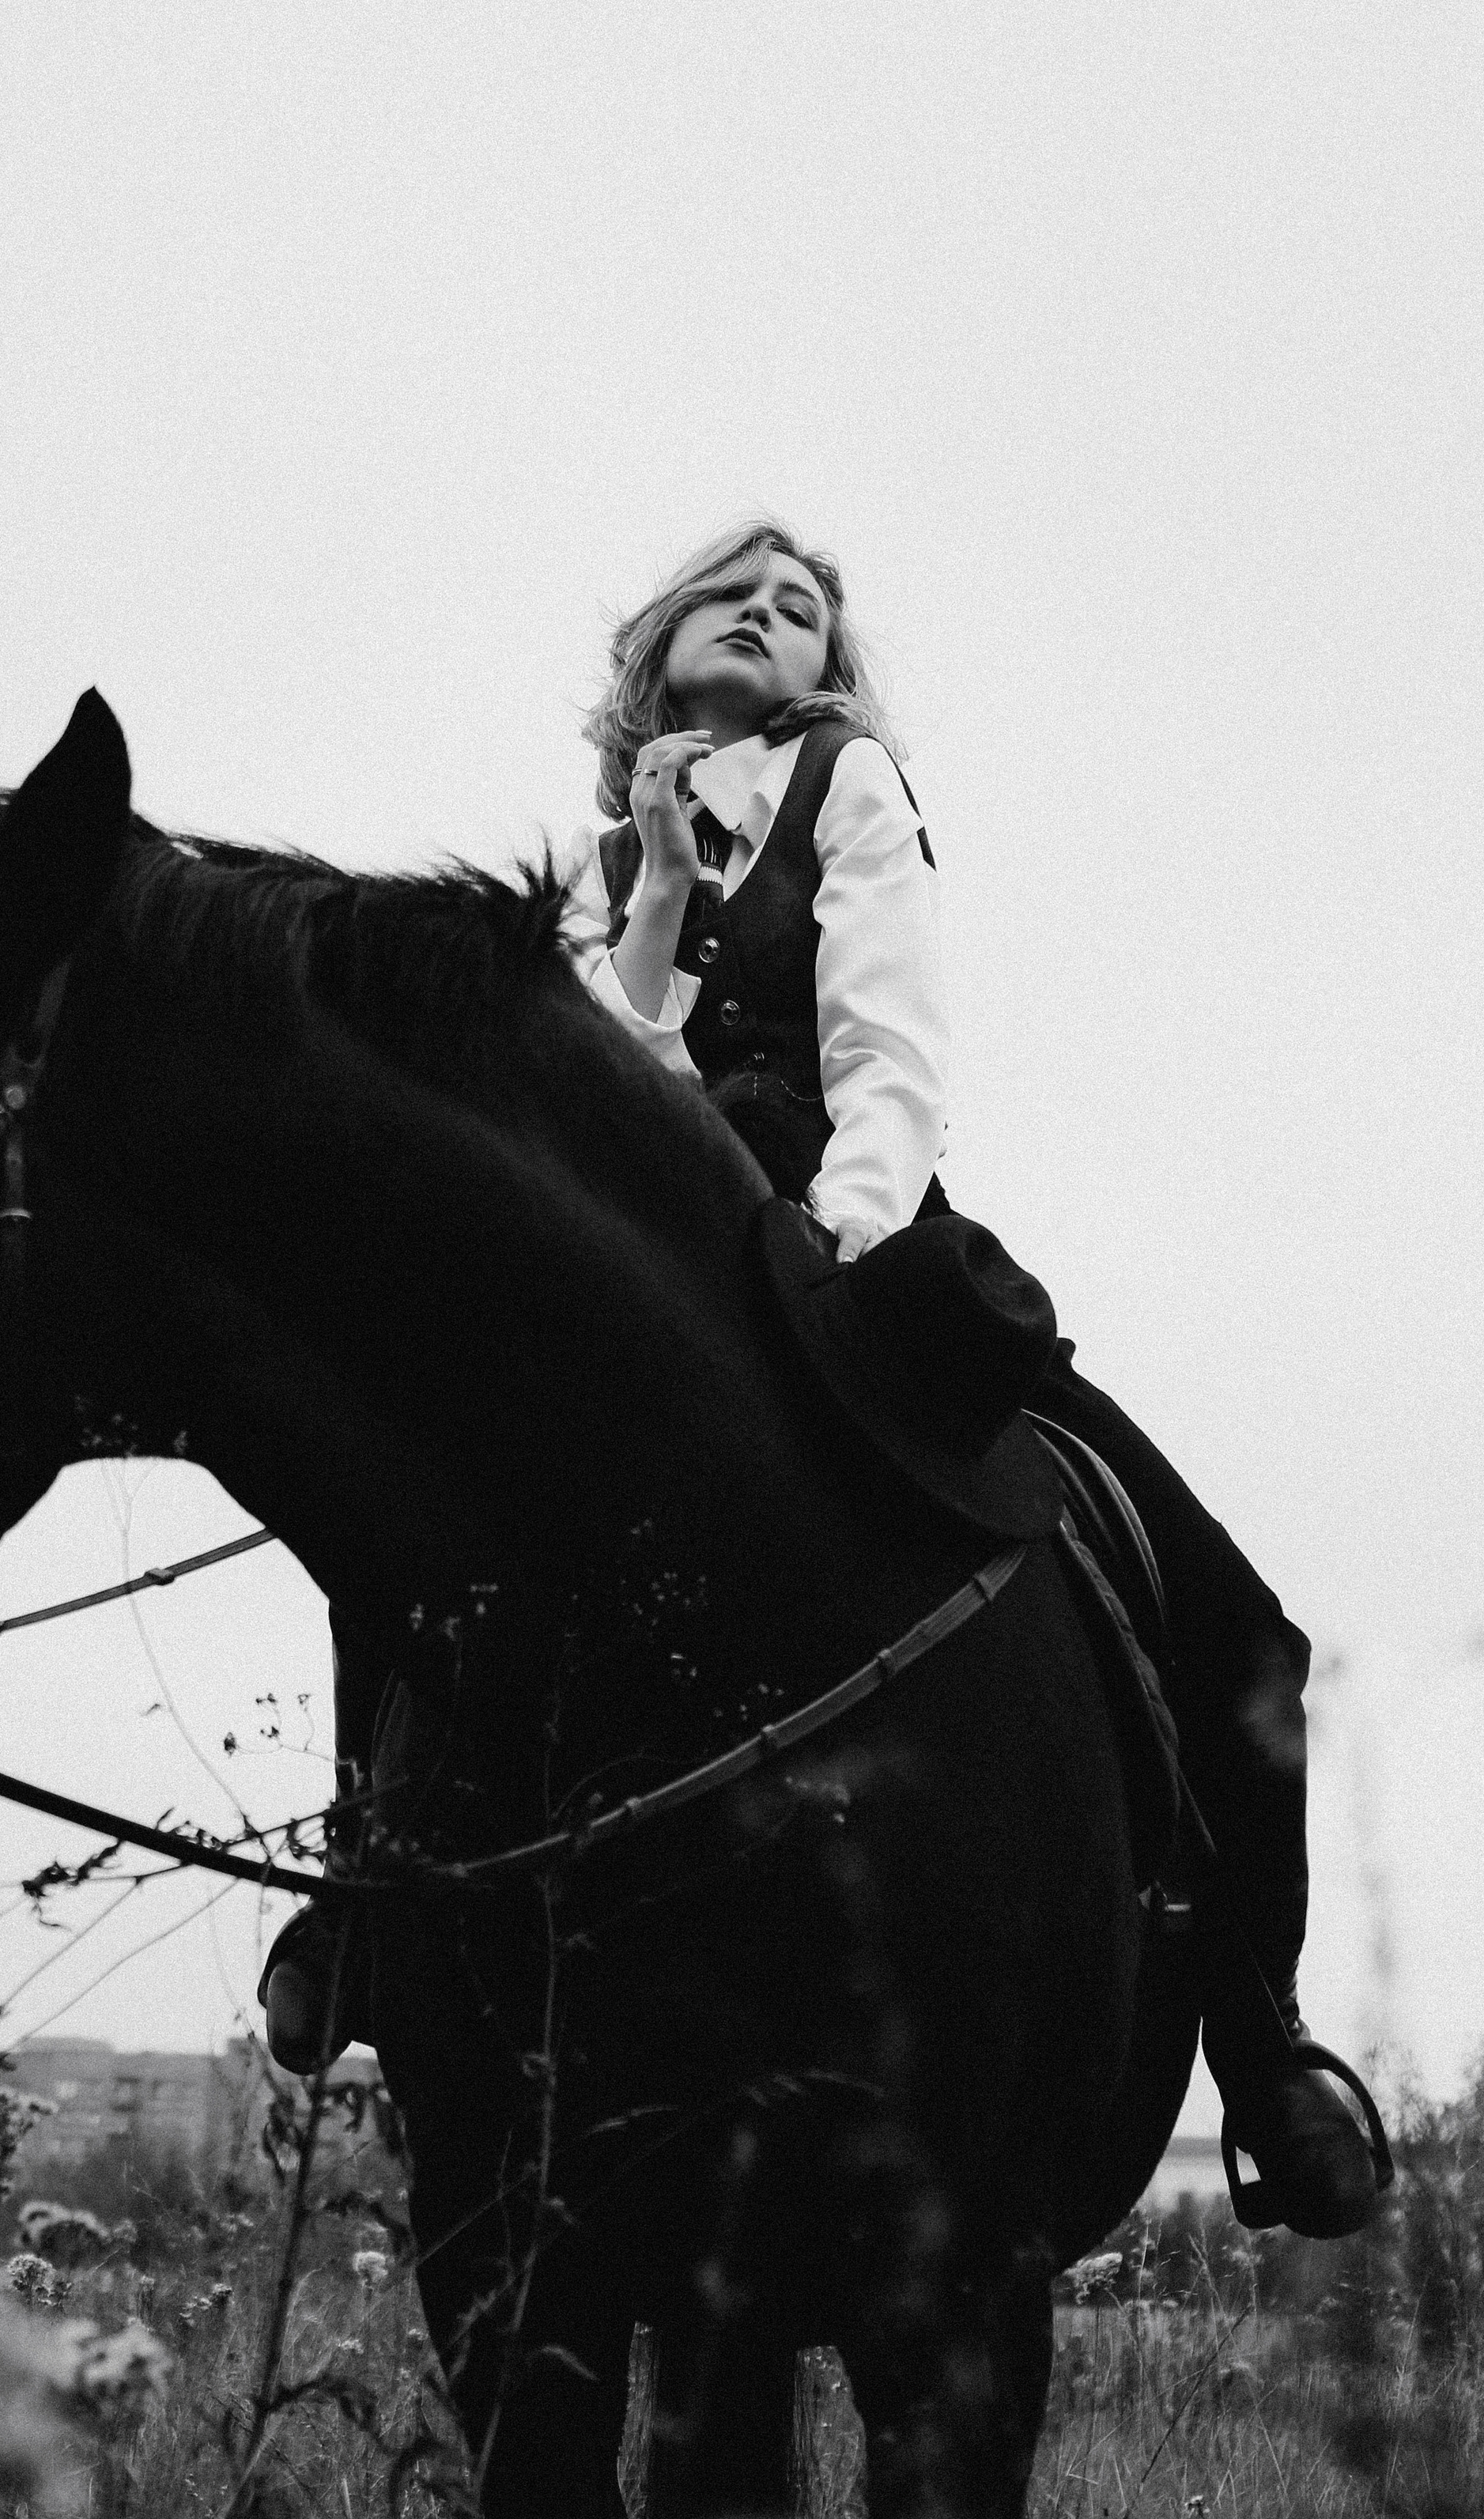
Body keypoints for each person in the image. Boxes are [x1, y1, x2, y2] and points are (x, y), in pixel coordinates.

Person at [557, 516, 1381, 2240]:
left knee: (1237, 1628)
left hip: (839, 1235)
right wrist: (644, 897)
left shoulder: (846, 785)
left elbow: (888, 1054)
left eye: (804, 614)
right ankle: (368, 1909)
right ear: (660, 639)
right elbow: (591, 1095)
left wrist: (825, 1252)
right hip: (632, 1271)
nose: (774, 623)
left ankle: (1262, 2042)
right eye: (739, 597)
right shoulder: (593, 854)